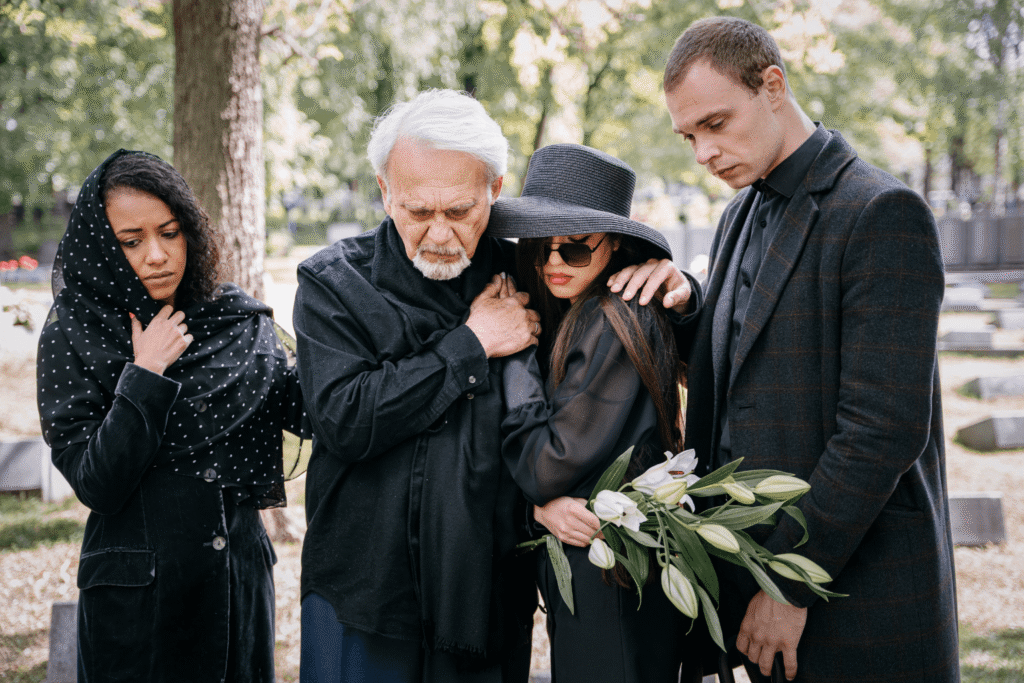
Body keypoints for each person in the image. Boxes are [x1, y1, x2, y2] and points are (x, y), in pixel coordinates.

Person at [293, 89, 695, 683]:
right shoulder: (332, 283)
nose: (438, 233)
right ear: (384, 191)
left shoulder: (532, 271)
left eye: (459, 212)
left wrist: (676, 289)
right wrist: (472, 344)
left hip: (488, 604)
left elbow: (592, 386)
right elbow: (346, 421)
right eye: (416, 211)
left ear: (496, 190)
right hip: (366, 599)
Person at [663, 16, 958, 682]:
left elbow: (882, 428)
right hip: (754, 589)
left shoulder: (881, 211)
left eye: (715, 124)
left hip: (859, 592)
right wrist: (683, 306)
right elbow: (738, 366)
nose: (703, 153)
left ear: (773, 85)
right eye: (688, 137)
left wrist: (788, 581)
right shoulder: (740, 210)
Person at [35, 149, 308, 682]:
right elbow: (97, 482)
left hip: (238, 586)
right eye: (131, 241)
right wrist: (146, 372)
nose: (157, 255)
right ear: (101, 246)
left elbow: (314, 410)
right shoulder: (74, 331)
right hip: (139, 604)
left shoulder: (233, 317)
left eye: (171, 232)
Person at [490, 143, 702, 683]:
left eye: (576, 249)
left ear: (615, 248)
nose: (553, 263)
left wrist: (513, 355)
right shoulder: (582, 313)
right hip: (609, 564)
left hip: (608, 571)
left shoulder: (612, 319)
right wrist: (539, 510)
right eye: (540, 249)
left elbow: (545, 464)